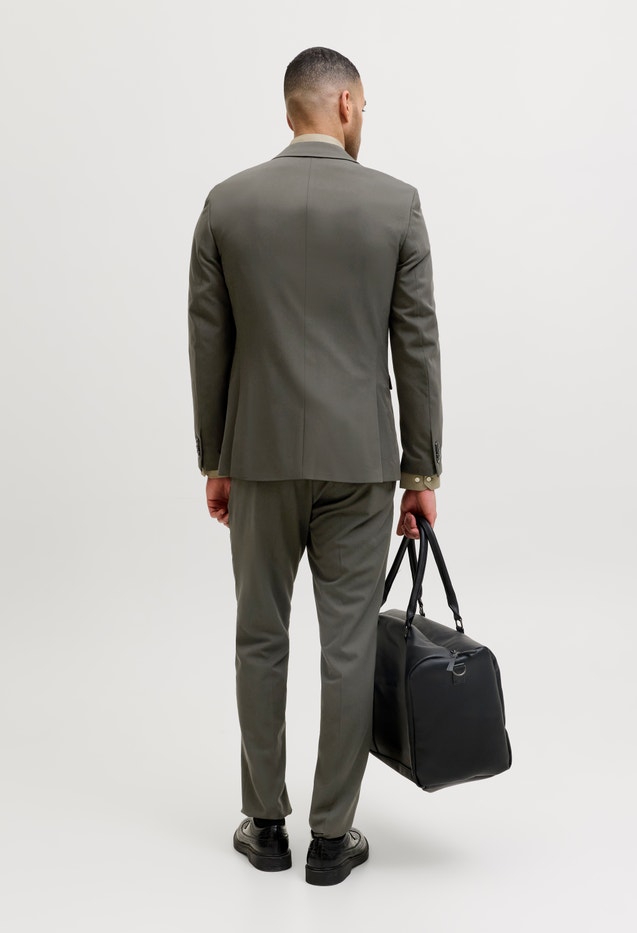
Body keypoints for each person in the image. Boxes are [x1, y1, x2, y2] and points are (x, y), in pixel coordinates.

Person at [187, 46, 443, 885]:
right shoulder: (395, 204)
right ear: (342, 104)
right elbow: (416, 346)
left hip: (258, 455)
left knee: (260, 635)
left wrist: (216, 458)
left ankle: (265, 824)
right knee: (349, 645)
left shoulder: (227, 204)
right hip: (360, 462)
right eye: (363, 105)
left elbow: (209, 342)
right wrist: (420, 474)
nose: (364, 117)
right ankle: (332, 838)